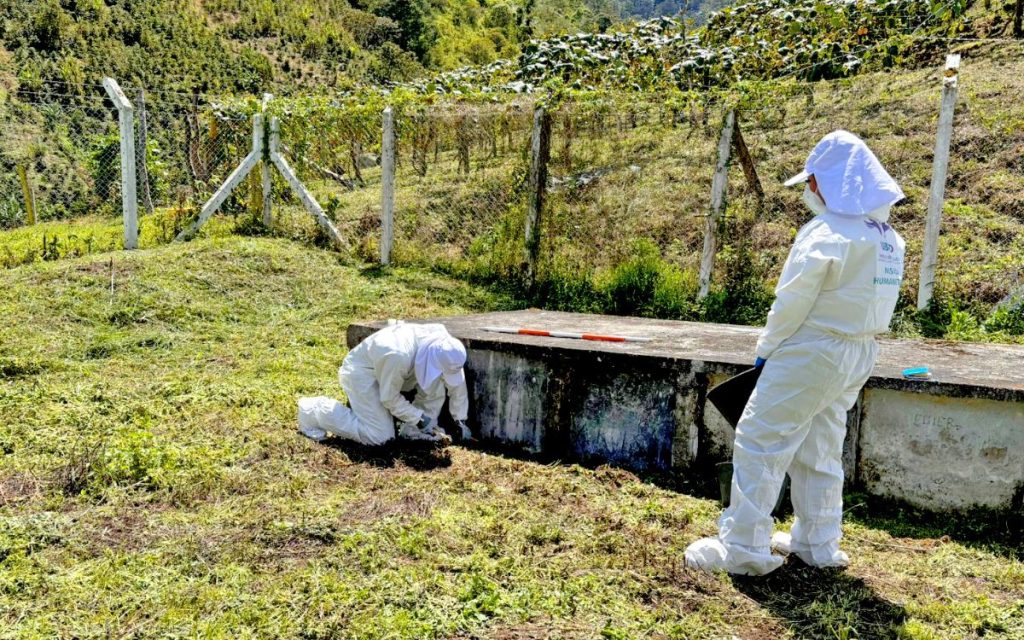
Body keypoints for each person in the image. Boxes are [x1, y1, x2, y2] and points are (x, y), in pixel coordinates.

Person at [685, 130, 906, 575]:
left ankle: (744, 548)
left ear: (830, 181)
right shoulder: (887, 238)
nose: (809, 190)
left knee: (760, 439)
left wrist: (767, 349)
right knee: (821, 445)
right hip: (857, 353)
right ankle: (817, 543)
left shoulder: (825, 232)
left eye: (812, 181)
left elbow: (791, 301)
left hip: (811, 349)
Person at [297, 321, 474, 446]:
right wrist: (419, 418)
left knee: (436, 385)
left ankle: (413, 432)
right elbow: (389, 398)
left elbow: (456, 383)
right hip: (363, 374)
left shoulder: (443, 342)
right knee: (379, 437)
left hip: (398, 372)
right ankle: (312, 411)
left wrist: (461, 419)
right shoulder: (396, 354)